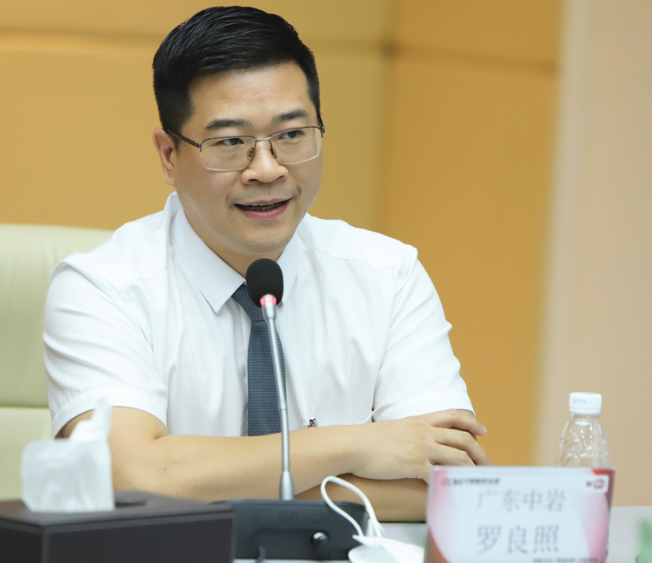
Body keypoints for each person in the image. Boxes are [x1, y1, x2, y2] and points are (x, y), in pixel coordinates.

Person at [44, 6, 488, 521]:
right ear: (168, 156)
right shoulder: (101, 287)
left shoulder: (388, 275)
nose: (267, 169)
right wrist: (355, 445)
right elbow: (132, 478)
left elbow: (449, 482)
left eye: (292, 135)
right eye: (230, 142)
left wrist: (209, 487)